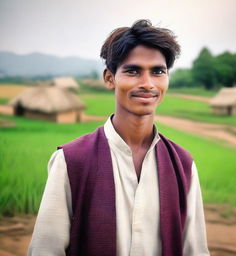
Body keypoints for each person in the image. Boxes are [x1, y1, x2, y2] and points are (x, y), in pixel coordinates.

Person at [28, 19, 210, 256]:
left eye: (158, 71)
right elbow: (45, 250)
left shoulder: (183, 165)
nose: (147, 83)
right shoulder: (71, 161)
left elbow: (195, 250)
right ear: (109, 78)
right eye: (133, 71)